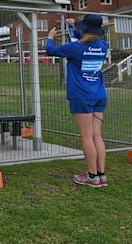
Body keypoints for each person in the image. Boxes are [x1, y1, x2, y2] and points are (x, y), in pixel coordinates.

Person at [46, 14, 108, 188]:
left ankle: (91, 176)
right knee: (97, 135)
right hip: (99, 94)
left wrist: (50, 38)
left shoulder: (74, 48)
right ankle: (101, 176)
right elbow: (86, 41)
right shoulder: (103, 46)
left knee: (86, 136)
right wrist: (74, 28)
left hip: (81, 96)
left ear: (85, 29)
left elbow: (50, 51)